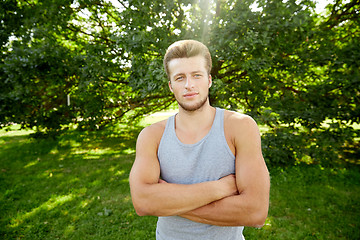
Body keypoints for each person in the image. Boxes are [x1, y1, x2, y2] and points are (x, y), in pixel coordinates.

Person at [129, 40, 270, 240]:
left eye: (196, 75)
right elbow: (143, 203)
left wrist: (168, 201)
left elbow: (255, 212)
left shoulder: (240, 127)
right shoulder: (152, 136)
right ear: (171, 86)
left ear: (209, 80)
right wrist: (221, 188)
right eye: (180, 78)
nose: (189, 85)